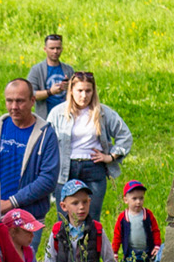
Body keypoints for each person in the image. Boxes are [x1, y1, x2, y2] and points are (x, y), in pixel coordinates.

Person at [47, 71, 133, 223]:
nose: (84, 95)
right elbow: (46, 142)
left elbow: (125, 136)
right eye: (80, 91)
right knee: (65, 220)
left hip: (93, 168)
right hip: (66, 170)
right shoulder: (58, 113)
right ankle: (66, 247)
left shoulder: (103, 113)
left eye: (88, 91)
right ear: (71, 91)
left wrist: (111, 156)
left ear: (93, 91)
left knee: (91, 220)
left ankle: (91, 247)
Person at [0, 79, 61, 224]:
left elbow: (48, 179)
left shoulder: (46, 135)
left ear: (32, 101)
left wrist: (12, 202)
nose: (14, 107)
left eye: (20, 101)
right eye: (9, 101)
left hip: (29, 217)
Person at [116, 180, 163, 262]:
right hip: (131, 253)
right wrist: (114, 253)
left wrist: (157, 246)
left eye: (141, 198)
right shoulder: (123, 218)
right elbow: (117, 236)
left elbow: (155, 230)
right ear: (126, 200)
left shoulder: (147, 215)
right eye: (134, 198)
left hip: (147, 251)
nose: (138, 202)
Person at [27, 33, 75, 120]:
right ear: (45, 49)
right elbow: (30, 94)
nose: (55, 51)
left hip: (66, 116)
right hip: (45, 117)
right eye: (52, 48)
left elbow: (77, 92)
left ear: (62, 49)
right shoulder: (37, 70)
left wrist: (69, 87)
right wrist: (50, 92)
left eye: (58, 48)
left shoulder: (69, 69)